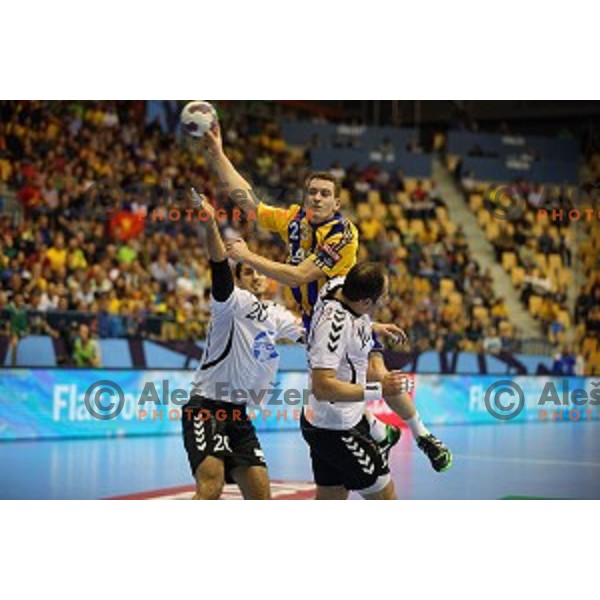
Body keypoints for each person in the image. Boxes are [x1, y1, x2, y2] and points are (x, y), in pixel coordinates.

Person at [200, 127, 452, 472]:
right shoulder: (294, 220)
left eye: (324, 194)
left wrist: (247, 256)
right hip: (314, 321)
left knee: (376, 373)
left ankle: (422, 435)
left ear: (337, 202)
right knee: (331, 395)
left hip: (349, 315)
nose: (317, 198)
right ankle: (378, 431)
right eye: (312, 193)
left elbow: (301, 275)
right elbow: (250, 202)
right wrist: (218, 153)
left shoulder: (342, 233)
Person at [182, 190, 304, 500]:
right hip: (205, 407)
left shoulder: (277, 315)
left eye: (260, 270)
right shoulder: (232, 302)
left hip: (237, 413)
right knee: (211, 488)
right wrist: (211, 223)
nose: (257, 275)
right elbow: (220, 266)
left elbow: (314, 332)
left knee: (261, 493)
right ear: (241, 280)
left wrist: (371, 325)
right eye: (248, 271)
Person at [301, 262, 411, 499]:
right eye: (383, 296)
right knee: (385, 497)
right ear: (365, 303)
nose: (387, 298)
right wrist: (378, 389)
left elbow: (348, 313)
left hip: (323, 423)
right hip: (337, 428)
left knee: (331, 497)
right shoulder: (334, 328)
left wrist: (373, 326)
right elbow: (323, 387)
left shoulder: (336, 286)